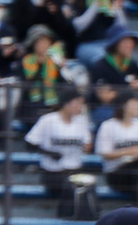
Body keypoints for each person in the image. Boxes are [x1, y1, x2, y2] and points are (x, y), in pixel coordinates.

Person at [24, 90, 91, 218]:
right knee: (69, 187)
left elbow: (87, 145)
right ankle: (63, 222)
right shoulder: (48, 120)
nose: (81, 107)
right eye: (78, 103)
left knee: (86, 186)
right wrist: (49, 153)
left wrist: (87, 148)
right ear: (67, 103)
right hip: (52, 172)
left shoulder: (81, 121)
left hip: (75, 170)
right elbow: (30, 143)